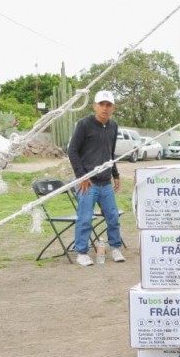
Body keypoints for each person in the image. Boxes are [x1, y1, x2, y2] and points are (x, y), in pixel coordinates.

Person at [67, 90, 125, 266]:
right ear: (95, 106)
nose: (105, 108)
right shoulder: (84, 124)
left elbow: (110, 153)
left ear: (113, 108)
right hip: (87, 182)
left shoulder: (113, 127)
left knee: (113, 216)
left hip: (105, 181)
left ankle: (115, 248)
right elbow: (72, 150)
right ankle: (82, 252)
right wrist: (82, 176)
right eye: (102, 104)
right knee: (85, 218)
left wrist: (115, 174)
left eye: (108, 105)